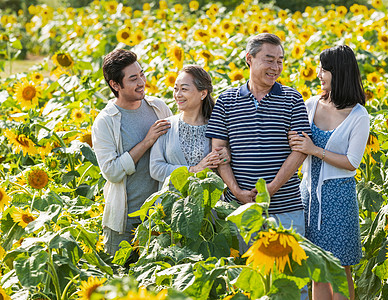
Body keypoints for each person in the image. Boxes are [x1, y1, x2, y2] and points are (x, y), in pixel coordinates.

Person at [205, 33, 311, 299]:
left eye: (280, 61)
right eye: (269, 60)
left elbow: (299, 152)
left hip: (286, 207)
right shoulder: (227, 101)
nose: (276, 67)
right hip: (240, 210)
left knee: (292, 282)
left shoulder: (292, 99)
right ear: (249, 59)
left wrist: (271, 188)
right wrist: (238, 191)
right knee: (248, 283)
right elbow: (219, 151)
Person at [288, 45, 370, 300]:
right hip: (309, 195)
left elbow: (352, 162)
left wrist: (314, 149)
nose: (319, 73)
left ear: (340, 72)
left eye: (324, 69)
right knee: (317, 269)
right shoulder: (311, 104)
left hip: (339, 198)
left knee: (339, 267)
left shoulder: (358, 115)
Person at [92, 49, 172, 256]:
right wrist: (147, 142)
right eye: (133, 78)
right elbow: (111, 172)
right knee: (120, 281)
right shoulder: (105, 121)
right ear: (115, 85)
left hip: (159, 217)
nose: (141, 82)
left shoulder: (158, 108)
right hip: (124, 221)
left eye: (142, 74)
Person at [150, 65, 229, 186]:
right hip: (171, 202)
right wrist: (192, 170)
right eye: (176, 89)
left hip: (207, 202)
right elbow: (155, 169)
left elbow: (226, 164)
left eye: (184, 89)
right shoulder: (166, 126)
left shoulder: (217, 128)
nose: (178, 94)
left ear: (203, 93)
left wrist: (227, 155)